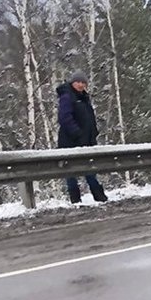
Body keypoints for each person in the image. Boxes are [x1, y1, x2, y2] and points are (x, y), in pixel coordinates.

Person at [56, 71, 107, 204]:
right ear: (72, 83)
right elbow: (64, 118)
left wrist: (93, 133)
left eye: (83, 82)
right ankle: (75, 199)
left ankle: (99, 196)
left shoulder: (84, 97)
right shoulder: (67, 96)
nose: (81, 85)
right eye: (78, 82)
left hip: (85, 141)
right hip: (69, 141)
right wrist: (77, 133)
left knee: (89, 168)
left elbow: (89, 118)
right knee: (71, 172)